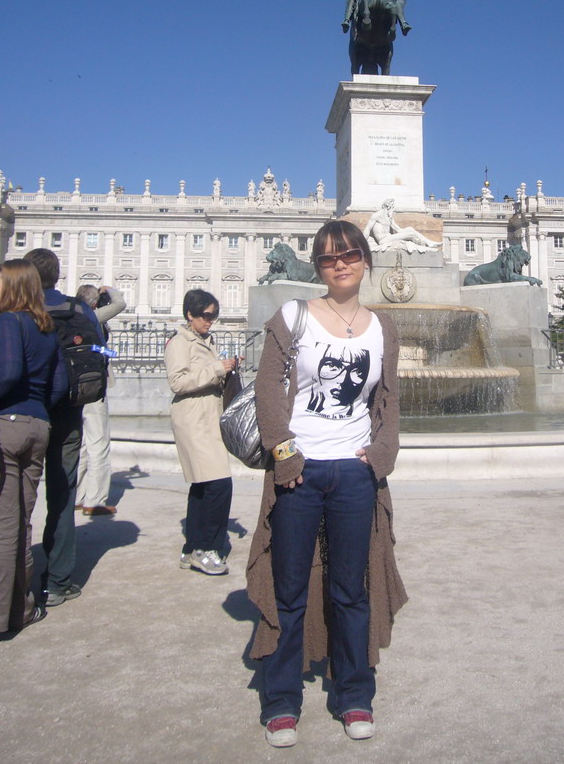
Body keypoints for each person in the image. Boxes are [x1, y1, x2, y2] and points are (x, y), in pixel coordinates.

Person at [247, 220, 407, 748]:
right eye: (328, 258)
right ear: (317, 266)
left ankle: (354, 692)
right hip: (301, 469)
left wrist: (382, 453)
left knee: (351, 589)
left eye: (350, 255)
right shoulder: (294, 315)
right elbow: (268, 385)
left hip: (355, 473)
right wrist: (284, 451)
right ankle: (282, 700)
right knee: (289, 589)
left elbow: (388, 397)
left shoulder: (383, 326)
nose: (340, 264)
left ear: (365, 260)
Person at [0, 260, 67, 646]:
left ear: (11, 287)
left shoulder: (11, 322)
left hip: (6, 427)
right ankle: (19, 608)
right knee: (20, 522)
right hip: (38, 427)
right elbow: (59, 385)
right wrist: (36, 409)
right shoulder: (47, 326)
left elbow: (8, 372)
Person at [23, 248, 102, 607]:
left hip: (24, 411)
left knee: (15, 499)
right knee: (63, 494)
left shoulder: (19, 310)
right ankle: (58, 580)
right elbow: (98, 347)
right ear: (57, 274)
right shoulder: (80, 309)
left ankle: (13, 580)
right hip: (69, 411)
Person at [164, 289, 238, 575]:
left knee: (201, 486)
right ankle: (207, 549)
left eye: (214, 316)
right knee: (220, 484)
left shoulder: (204, 340)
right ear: (189, 315)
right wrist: (217, 369)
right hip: (193, 419)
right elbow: (178, 382)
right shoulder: (178, 342)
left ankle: (190, 548)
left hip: (208, 417)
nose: (211, 321)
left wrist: (227, 370)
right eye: (206, 315)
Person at [75, 284, 126, 516]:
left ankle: (77, 495)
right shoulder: (91, 315)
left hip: (76, 385)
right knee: (99, 443)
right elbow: (119, 304)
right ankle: (94, 500)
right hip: (93, 386)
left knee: (84, 443)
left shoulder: (73, 316)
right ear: (95, 303)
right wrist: (111, 289)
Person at [363, 198, 441, 253]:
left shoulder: (389, 217)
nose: (393, 209)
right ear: (389, 207)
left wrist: (408, 231)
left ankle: (428, 242)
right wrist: (361, 243)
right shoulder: (377, 215)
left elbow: (399, 230)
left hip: (389, 237)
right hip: (383, 240)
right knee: (411, 235)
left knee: (410, 229)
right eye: (393, 207)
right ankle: (426, 246)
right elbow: (367, 229)